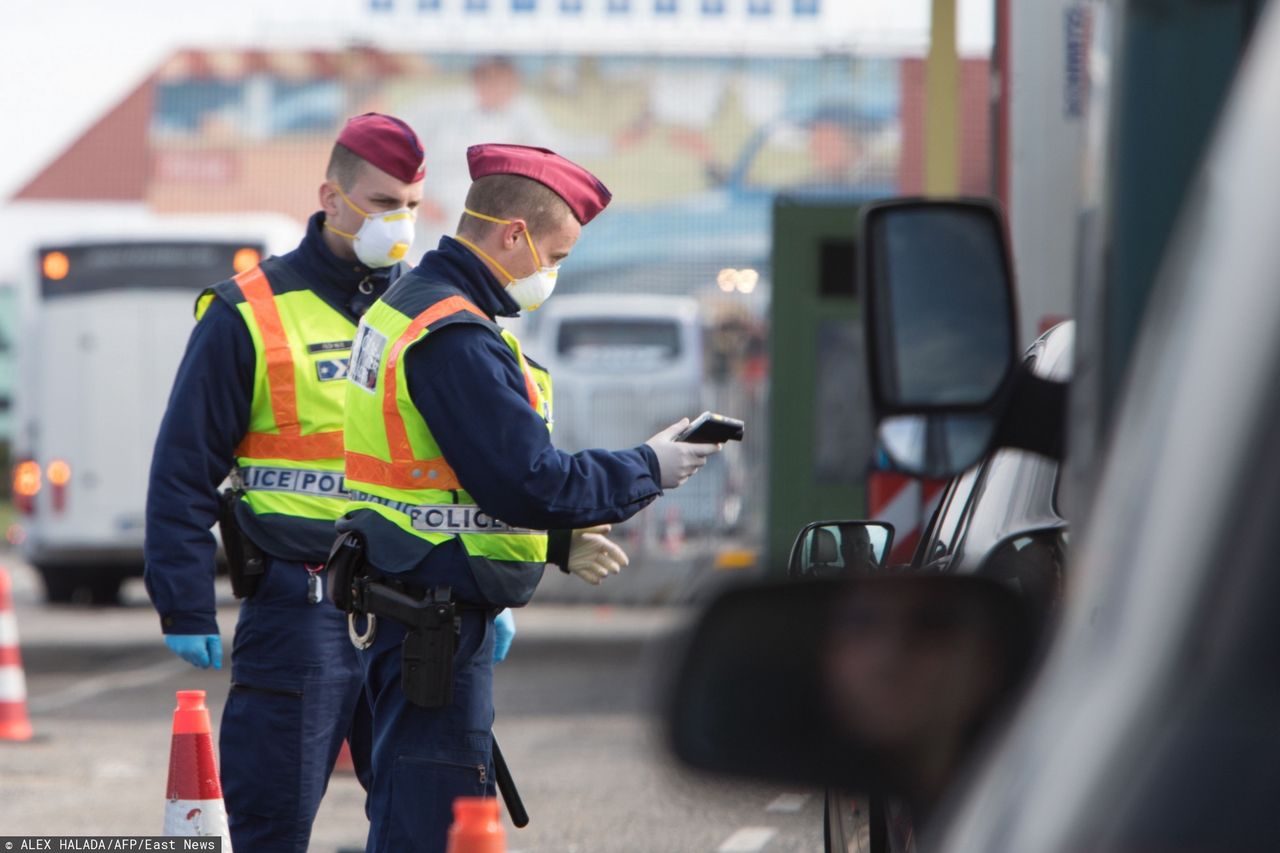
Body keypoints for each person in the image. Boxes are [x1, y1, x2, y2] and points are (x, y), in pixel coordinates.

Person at [333, 143, 721, 852]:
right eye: (557, 255)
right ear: (513, 234)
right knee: (431, 824)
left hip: (414, 604)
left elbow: (443, 477)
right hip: (434, 623)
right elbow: (529, 479)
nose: (553, 274)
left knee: (423, 807)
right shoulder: (455, 336)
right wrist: (650, 466)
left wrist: (554, 543)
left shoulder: (411, 306)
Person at [143, 112, 426, 852]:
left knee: (422, 820)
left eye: (412, 206)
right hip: (301, 607)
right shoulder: (248, 311)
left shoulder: (426, 314)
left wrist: (492, 579)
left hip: (417, 607)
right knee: (270, 820)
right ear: (330, 197)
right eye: (383, 202)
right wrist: (184, 601)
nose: (399, 222)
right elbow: (184, 464)